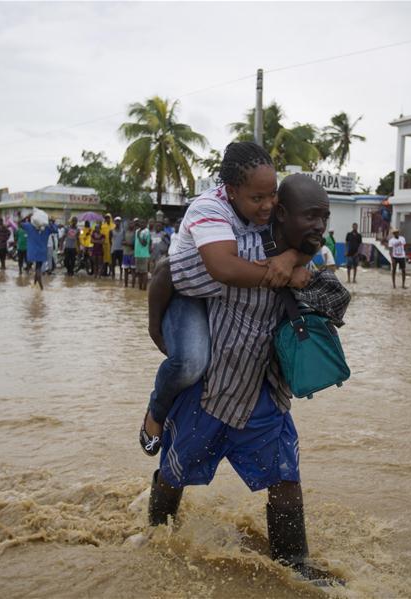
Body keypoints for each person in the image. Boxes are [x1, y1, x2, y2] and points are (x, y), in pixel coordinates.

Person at [146, 172, 347, 584]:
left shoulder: (315, 259)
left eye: (324, 218)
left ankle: (295, 567)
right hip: (211, 392)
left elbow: (339, 302)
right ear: (281, 213)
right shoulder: (233, 252)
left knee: (286, 479)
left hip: (265, 395)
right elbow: (168, 272)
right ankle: (152, 537)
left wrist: (295, 266)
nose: (319, 227)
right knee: (172, 472)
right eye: (310, 217)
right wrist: (156, 330)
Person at [140, 143, 308, 458]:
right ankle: (156, 412)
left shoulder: (268, 200)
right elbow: (225, 268)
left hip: (230, 296)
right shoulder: (209, 208)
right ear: (230, 191)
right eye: (257, 198)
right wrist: (282, 273)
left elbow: (308, 229)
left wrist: (292, 256)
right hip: (187, 291)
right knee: (191, 362)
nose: (268, 206)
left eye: (272, 194)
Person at [22, 215, 56, 289]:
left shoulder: (30, 226)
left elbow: (20, 223)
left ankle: (37, 285)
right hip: (42, 251)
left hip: (33, 251)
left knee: (37, 268)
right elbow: (55, 230)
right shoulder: (46, 228)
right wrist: (50, 222)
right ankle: (40, 286)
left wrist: (26, 217)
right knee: (38, 267)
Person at [133, 219, 151, 290]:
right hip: (137, 254)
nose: (141, 224)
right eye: (141, 223)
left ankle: (144, 288)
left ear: (146, 224)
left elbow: (144, 243)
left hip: (144, 255)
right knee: (139, 272)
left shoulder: (146, 231)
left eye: (143, 223)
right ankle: (140, 288)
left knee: (144, 273)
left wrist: (138, 236)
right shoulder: (137, 231)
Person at [123, 219, 136, 287]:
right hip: (125, 253)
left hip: (132, 254)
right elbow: (122, 241)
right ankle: (125, 286)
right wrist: (126, 243)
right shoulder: (125, 232)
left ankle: (133, 286)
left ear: (134, 225)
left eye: (132, 223)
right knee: (125, 271)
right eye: (130, 223)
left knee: (133, 271)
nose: (131, 225)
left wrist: (127, 243)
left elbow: (135, 245)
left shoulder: (135, 233)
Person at [111, 216, 124, 280]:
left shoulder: (123, 231)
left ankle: (121, 276)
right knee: (113, 264)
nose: (117, 222)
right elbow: (109, 240)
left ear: (120, 222)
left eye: (119, 221)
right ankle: (113, 275)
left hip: (121, 249)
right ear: (114, 222)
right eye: (116, 221)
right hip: (114, 249)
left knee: (121, 264)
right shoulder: (112, 231)